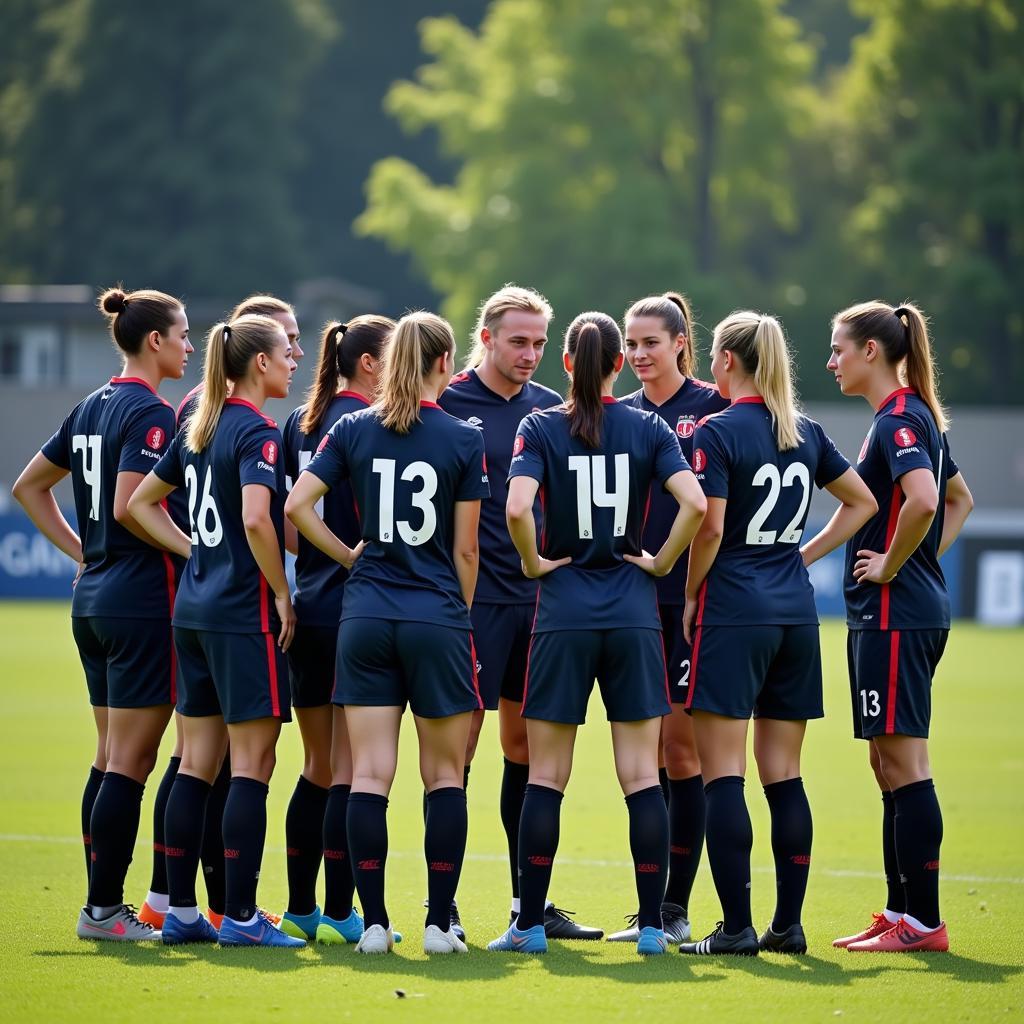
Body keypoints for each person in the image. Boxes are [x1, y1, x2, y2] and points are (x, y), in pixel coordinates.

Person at [487, 311, 707, 957]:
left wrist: (532, 562)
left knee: (545, 776)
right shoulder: (648, 426)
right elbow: (694, 504)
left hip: (562, 614)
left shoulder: (539, 425)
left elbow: (518, 508)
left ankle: (528, 924)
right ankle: (648, 927)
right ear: (617, 365)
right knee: (642, 775)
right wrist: (662, 562)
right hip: (634, 613)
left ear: (567, 366)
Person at [287, 311, 488, 955]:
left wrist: (351, 557)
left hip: (366, 615)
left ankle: (372, 924)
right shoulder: (461, 437)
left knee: (369, 774)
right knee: (445, 776)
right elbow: (466, 554)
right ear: (442, 363)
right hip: (435, 616)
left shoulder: (352, 428)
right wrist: (457, 611)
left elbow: (295, 507)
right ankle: (438, 922)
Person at [677, 311, 876, 957]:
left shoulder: (717, 430)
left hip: (734, 611)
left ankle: (735, 929)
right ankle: (787, 927)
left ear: (729, 361)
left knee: (722, 776)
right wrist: (803, 556)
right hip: (794, 613)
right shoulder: (805, 429)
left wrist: (687, 594)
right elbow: (864, 501)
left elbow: (708, 527)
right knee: (785, 775)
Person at [13, 286, 192, 940]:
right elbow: (129, 506)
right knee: (131, 763)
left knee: (108, 755)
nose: (190, 346)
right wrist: (195, 548)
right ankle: (104, 911)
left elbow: (28, 487)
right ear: (155, 341)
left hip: (94, 597)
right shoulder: (150, 414)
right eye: (182, 334)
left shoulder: (91, 405)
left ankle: (100, 905)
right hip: (141, 600)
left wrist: (79, 553)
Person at [127, 314, 304, 947]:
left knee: (196, 763)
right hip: (241, 617)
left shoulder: (198, 426)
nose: (294, 360)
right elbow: (260, 521)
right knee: (253, 764)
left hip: (194, 614)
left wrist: (194, 553)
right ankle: (243, 919)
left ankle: (179, 911)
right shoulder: (257, 432)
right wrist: (283, 594)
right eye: (287, 351)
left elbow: (138, 503)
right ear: (259, 363)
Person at [439, 285, 602, 941]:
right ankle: (441, 905)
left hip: (541, 605)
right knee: (458, 750)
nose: (530, 353)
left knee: (526, 752)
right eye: (518, 341)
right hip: (471, 607)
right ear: (486, 338)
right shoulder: (448, 403)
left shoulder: (551, 412)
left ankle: (526, 905)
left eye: (539, 342)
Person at [823, 301, 972, 954]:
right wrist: (913, 563)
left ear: (871, 353)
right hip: (902, 609)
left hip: (894, 616)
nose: (830, 361)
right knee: (887, 762)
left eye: (837, 349)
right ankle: (899, 910)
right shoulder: (911, 416)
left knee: (905, 763)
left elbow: (928, 500)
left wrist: (893, 565)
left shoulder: (902, 420)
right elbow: (961, 500)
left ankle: (925, 922)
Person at [611, 290, 728, 944]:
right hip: (628, 608)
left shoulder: (710, 407)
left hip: (686, 607)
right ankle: (651, 908)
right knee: (644, 758)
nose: (637, 355)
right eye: (630, 344)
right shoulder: (622, 415)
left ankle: (674, 910)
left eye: (650, 343)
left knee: (681, 754)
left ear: (681, 341)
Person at [277, 315, 395, 944]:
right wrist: (351, 555)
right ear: (371, 364)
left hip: (309, 598)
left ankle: (299, 907)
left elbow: (290, 523)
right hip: (356, 604)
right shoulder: (366, 426)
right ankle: (343, 911)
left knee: (318, 765)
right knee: (351, 770)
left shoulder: (300, 421)